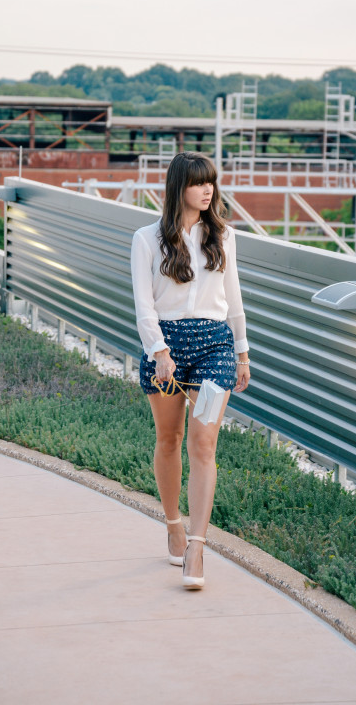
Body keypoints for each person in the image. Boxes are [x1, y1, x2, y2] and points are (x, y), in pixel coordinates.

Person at [130, 151, 250, 590]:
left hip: (215, 348)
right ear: (178, 187)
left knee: (204, 443)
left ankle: (197, 547)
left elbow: (234, 301)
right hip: (166, 348)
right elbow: (144, 306)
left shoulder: (225, 237)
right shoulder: (147, 239)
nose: (208, 190)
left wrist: (242, 353)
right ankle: (173, 523)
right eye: (199, 183)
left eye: (211, 183)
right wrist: (159, 352)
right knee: (170, 438)